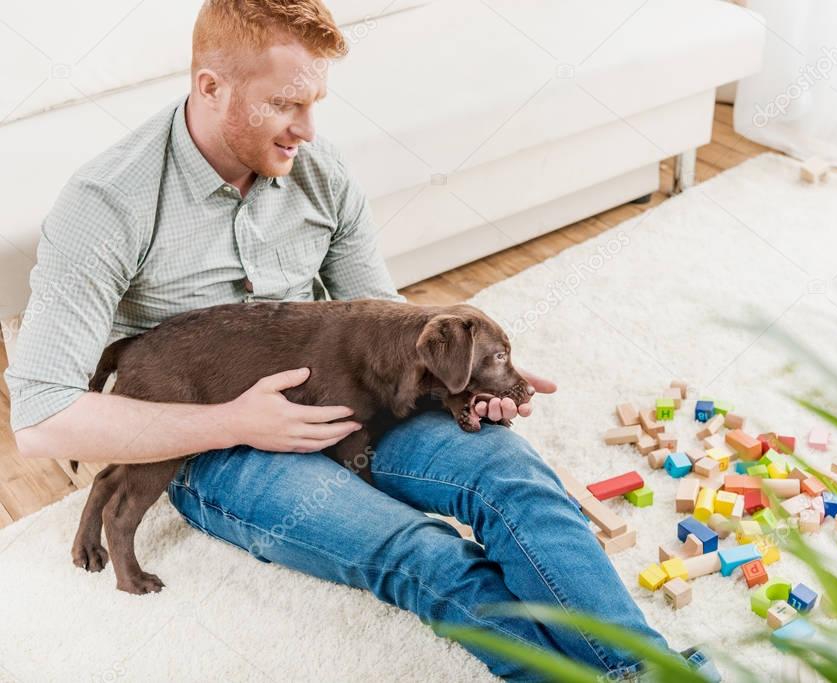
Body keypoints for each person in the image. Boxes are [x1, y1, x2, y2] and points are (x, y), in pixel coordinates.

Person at [7, 1, 705, 679]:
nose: (307, 129)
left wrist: (464, 384)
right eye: (285, 104)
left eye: (314, 104)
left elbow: (387, 327)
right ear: (210, 87)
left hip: (356, 401)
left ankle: (645, 672)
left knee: (515, 479)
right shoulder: (106, 204)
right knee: (422, 555)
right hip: (210, 447)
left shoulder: (319, 170)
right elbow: (40, 419)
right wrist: (233, 421)